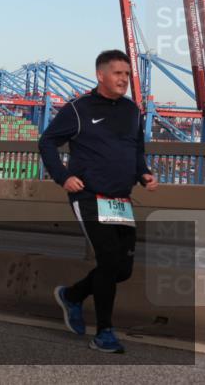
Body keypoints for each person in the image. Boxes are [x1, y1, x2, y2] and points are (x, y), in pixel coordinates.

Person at [40, 49, 158, 354]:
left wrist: (144, 174)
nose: (124, 79)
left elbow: (136, 151)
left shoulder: (133, 111)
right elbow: (47, 141)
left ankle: (73, 296)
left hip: (120, 199)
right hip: (89, 196)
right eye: (118, 73)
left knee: (122, 269)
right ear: (100, 75)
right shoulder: (78, 109)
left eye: (127, 74)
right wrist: (62, 176)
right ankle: (105, 332)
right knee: (108, 261)